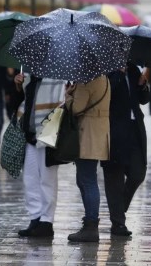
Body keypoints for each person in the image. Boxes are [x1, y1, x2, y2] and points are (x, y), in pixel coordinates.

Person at [14, 72, 66, 239]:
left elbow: (62, 102)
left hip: (49, 132)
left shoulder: (59, 75)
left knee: (47, 179)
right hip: (29, 132)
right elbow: (26, 100)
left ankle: (46, 221)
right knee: (30, 178)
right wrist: (19, 83)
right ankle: (35, 218)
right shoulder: (30, 74)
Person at [102, 62, 150, 238]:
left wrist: (143, 85)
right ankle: (118, 224)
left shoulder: (134, 70)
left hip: (134, 128)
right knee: (114, 176)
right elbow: (105, 95)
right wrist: (118, 74)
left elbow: (143, 100)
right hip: (112, 129)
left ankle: (118, 211)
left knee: (138, 173)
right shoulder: (104, 69)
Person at [66, 74, 111, 243]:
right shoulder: (103, 78)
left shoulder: (87, 80)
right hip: (99, 132)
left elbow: (77, 108)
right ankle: (90, 224)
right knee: (85, 179)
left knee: (87, 180)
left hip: (88, 134)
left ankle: (91, 226)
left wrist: (68, 95)